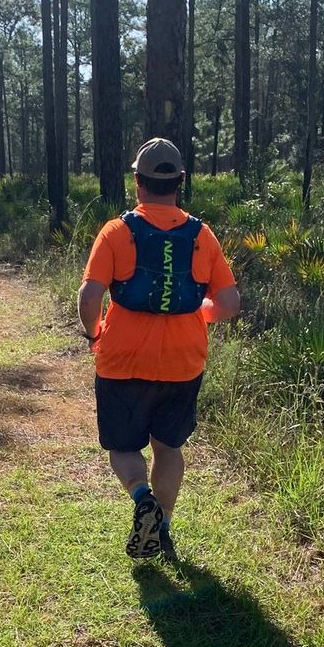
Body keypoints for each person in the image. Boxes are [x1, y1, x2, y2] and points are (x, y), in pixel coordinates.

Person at [77, 137, 241, 560]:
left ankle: (141, 497)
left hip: (122, 359)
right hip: (183, 361)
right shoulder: (202, 235)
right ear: (180, 181)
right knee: (169, 447)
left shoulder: (116, 231)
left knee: (124, 446)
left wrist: (95, 333)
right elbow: (229, 304)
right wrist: (196, 315)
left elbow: (89, 296)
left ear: (138, 182)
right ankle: (162, 525)